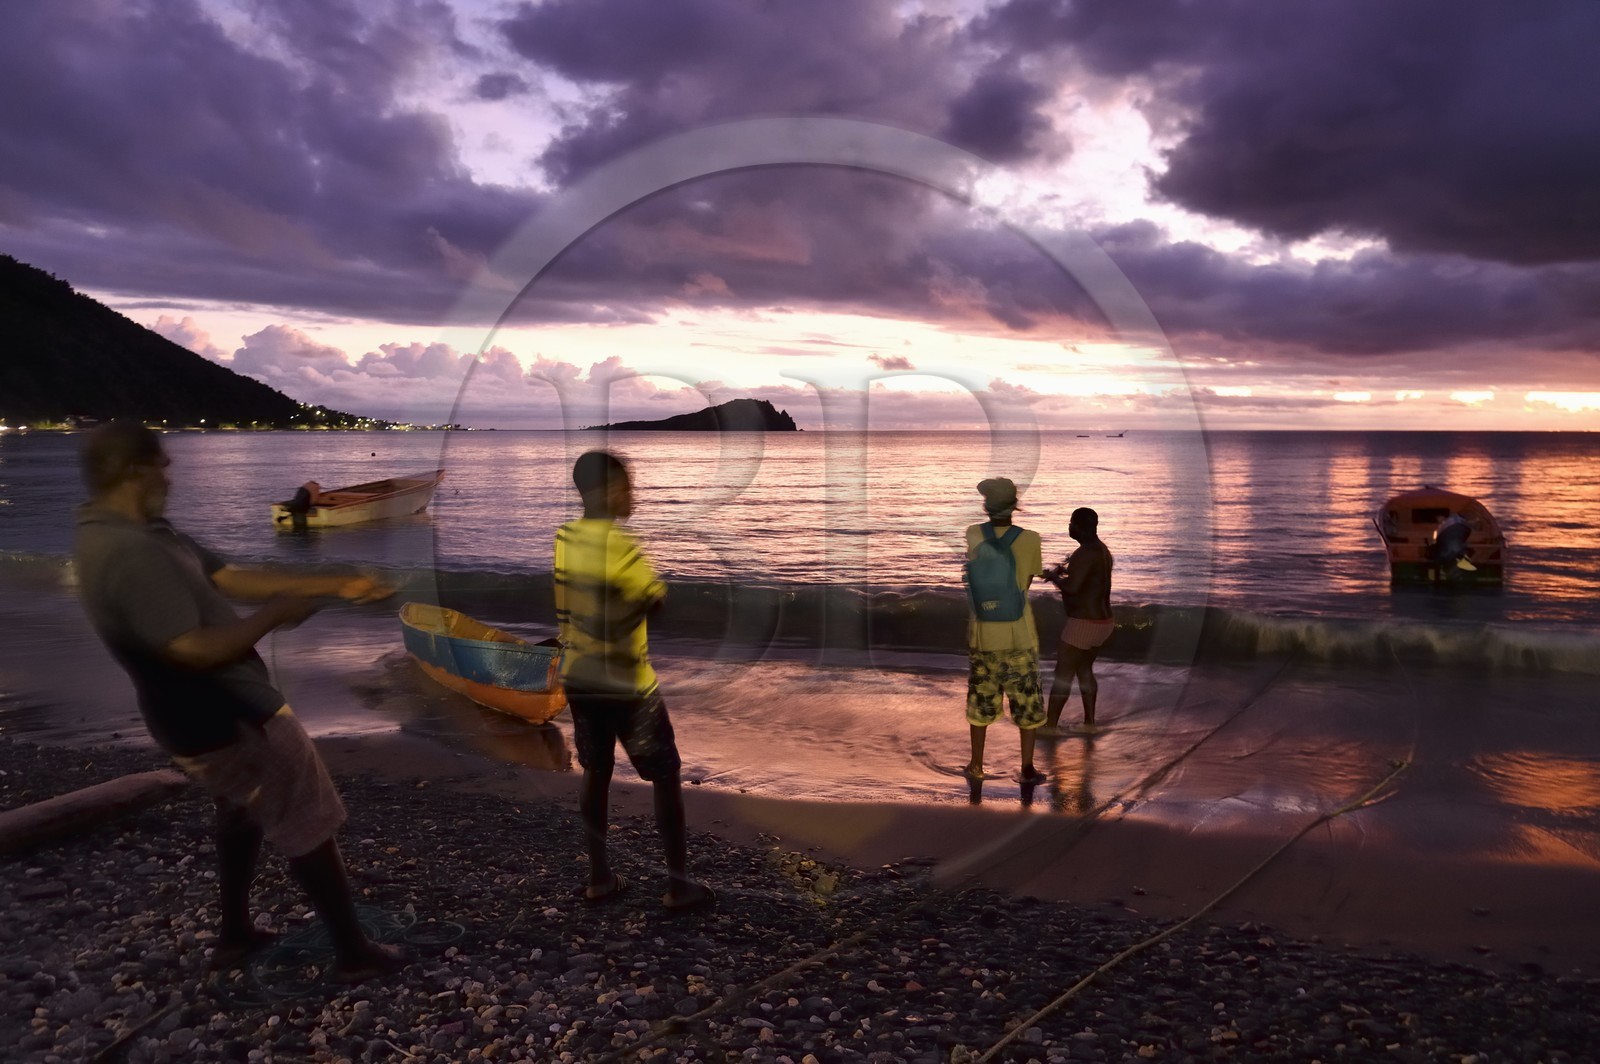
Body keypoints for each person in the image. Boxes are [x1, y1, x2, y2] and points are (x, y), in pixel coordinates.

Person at [72, 421, 406, 981]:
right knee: (306, 820)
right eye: (163, 465)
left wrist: (334, 585)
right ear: (134, 471)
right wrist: (273, 616)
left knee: (242, 809)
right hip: (227, 711)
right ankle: (353, 954)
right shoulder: (128, 550)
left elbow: (228, 576)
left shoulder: (145, 532)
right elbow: (192, 649)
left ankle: (233, 935)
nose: (170, 477)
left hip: (198, 713)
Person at [553, 450, 714, 911]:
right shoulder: (624, 547)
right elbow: (652, 600)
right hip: (628, 684)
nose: (633, 495)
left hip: (580, 678)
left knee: (596, 771)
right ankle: (679, 885)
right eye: (626, 486)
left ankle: (599, 877)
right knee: (665, 775)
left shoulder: (565, 536)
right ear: (604, 492)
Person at [962, 477, 1046, 783]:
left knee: (981, 700)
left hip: (983, 635)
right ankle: (1026, 768)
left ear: (986, 506)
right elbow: (1025, 584)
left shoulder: (973, 534)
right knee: (1026, 701)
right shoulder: (1031, 539)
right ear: (1015, 506)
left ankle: (976, 765)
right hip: (1019, 636)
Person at [1043, 507, 1114, 732]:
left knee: (1062, 675)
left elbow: (1073, 588)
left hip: (1083, 623)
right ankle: (1089, 723)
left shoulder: (1083, 553)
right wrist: (1066, 571)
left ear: (1079, 527)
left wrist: (1054, 577)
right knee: (1084, 670)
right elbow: (1088, 580)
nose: (1069, 527)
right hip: (1103, 623)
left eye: (1071, 523)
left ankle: (1049, 726)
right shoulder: (1102, 551)